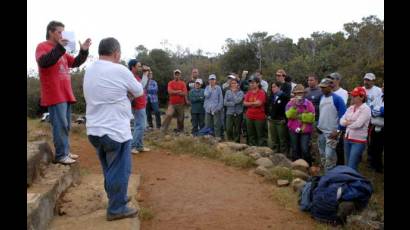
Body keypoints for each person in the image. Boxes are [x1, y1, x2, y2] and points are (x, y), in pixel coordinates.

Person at [84, 37, 143, 221]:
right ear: (116, 53)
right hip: (115, 130)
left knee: (109, 169)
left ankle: (117, 199)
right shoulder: (119, 69)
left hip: (94, 130)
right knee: (119, 170)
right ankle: (116, 208)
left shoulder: (90, 69)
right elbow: (139, 90)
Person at [35, 20, 91, 164]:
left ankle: (65, 151)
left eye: (63, 32)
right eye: (59, 32)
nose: (62, 35)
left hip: (65, 93)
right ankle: (61, 155)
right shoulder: (42, 46)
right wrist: (60, 47)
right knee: (59, 125)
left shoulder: (62, 51)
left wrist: (83, 50)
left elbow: (76, 62)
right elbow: (44, 62)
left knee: (66, 125)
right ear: (51, 32)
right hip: (54, 93)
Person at [317, 78, 347, 172]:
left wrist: (338, 130)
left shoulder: (337, 99)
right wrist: (318, 124)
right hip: (321, 132)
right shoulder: (322, 98)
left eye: (324, 87)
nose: (322, 89)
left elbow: (344, 116)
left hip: (332, 133)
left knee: (330, 157)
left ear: (330, 87)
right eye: (321, 87)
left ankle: (330, 178)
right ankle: (325, 176)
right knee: (322, 155)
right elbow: (322, 113)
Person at [340, 87, 371, 171]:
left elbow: (358, 124)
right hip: (347, 138)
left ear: (362, 97)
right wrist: (348, 122)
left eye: (354, 95)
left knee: (352, 166)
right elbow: (341, 121)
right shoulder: (350, 108)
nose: (352, 97)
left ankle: (353, 182)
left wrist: (347, 123)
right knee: (347, 165)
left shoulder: (366, 109)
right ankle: (349, 182)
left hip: (358, 141)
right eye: (352, 95)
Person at [285, 84, 315, 164]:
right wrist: (294, 107)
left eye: (301, 93)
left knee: (304, 148)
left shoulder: (309, 104)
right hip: (293, 129)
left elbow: (311, 118)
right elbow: (288, 115)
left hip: (305, 130)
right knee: (295, 148)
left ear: (304, 94)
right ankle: (295, 166)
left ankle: (307, 165)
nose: (299, 95)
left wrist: (299, 116)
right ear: (294, 94)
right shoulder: (290, 104)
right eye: (297, 93)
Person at [326, 72, 348, 166]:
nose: (330, 81)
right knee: (329, 148)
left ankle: (340, 168)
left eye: (333, 79)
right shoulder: (327, 92)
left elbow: (341, 110)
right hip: (327, 124)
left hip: (338, 124)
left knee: (339, 148)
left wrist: (339, 128)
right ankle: (330, 166)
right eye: (329, 79)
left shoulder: (343, 93)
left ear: (338, 80)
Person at [128, 59, 150, 154]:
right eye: (139, 66)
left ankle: (139, 146)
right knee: (140, 126)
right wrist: (145, 74)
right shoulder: (131, 76)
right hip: (138, 104)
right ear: (133, 67)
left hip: (141, 103)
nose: (141, 68)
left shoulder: (136, 76)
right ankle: (132, 146)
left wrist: (145, 75)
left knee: (140, 125)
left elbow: (142, 86)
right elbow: (140, 88)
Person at [161, 69, 187, 133]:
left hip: (181, 103)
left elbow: (184, 93)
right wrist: (178, 91)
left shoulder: (183, 83)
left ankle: (180, 130)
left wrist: (174, 92)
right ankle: (163, 129)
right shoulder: (170, 83)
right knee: (169, 114)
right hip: (172, 104)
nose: (177, 76)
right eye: (176, 74)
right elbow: (170, 92)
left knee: (181, 118)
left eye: (178, 74)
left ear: (180, 75)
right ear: (174, 75)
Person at [243, 76, 267, 146]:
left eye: (253, 82)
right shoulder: (249, 93)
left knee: (260, 135)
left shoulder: (261, 92)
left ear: (258, 83)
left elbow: (259, 103)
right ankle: (252, 149)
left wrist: (249, 104)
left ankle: (261, 150)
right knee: (251, 135)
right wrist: (254, 103)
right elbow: (244, 103)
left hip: (259, 117)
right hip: (249, 116)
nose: (251, 84)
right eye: (250, 82)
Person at [267, 81, 290, 153]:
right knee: (274, 139)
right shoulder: (272, 96)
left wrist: (285, 119)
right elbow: (268, 106)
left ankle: (284, 154)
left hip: (280, 121)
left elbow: (287, 109)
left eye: (274, 87)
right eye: (272, 87)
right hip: (272, 120)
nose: (273, 88)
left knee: (282, 139)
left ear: (279, 87)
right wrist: (269, 115)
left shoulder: (284, 96)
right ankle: (275, 153)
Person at [367, 82, 384, 173]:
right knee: (374, 147)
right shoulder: (379, 96)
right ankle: (376, 166)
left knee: (381, 148)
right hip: (375, 126)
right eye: (383, 85)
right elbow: (371, 107)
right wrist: (378, 110)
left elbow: (382, 111)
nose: (383, 87)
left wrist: (379, 110)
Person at [204, 74, 224, 140]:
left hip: (216, 109)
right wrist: (211, 88)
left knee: (216, 125)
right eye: (211, 79)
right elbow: (206, 95)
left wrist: (218, 108)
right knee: (208, 124)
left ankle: (217, 137)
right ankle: (209, 137)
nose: (212, 81)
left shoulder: (218, 88)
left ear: (215, 80)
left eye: (213, 79)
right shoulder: (207, 88)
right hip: (208, 109)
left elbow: (221, 99)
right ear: (209, 80)